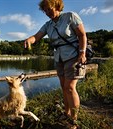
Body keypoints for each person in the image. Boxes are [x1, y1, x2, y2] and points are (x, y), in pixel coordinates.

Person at [24, 0, 87, 128]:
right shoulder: (48, 25)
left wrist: (82, 53)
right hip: (59, 58)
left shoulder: (70, 16)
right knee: (64, 87)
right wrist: (29, 40)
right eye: (45, 11)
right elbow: (37, 36)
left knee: (70, 87)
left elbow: (82, 35)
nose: (47, 13)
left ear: (57, 6)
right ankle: (67, 113)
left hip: (73, 56)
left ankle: (73, 120)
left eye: (49, 9)